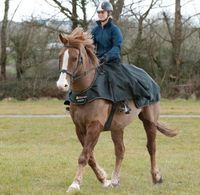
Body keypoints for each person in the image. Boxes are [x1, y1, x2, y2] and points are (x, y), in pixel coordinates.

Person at [91, 1, 131, 113]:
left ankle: (123, 103)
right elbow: (91, 46)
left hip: (112, 61)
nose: (100, 14)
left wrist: (107, 56)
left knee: (117, 78)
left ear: (108, 13)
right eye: (98, 12)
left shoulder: (115, 30)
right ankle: (73, 101)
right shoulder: (95, 30)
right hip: (98, 61)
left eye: (102, 12)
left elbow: (117, 47)